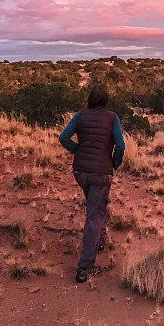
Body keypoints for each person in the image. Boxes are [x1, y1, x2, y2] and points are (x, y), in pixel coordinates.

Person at [58, 83, 125, 283]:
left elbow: (63, 138)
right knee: (94, 214)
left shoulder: (80, 116)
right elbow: (120, 145)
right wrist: (114, 163)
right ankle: (85, 267)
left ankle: (100, 240)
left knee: (97, 204)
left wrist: (77, 150)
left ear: (90, 99)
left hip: (80, 171)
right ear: (106, 100)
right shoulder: (112, 117)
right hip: (101, 172)